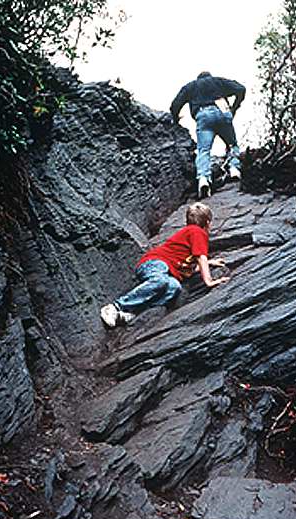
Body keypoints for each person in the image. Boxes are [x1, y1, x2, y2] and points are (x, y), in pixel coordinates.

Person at [100, 202, 229, 328]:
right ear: (207, 222)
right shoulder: (197, 232)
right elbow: (201, 257)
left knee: (174, 287)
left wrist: (209, 263)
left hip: (164, 269)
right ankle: (115, 306)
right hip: (154, 263)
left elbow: (190, 265)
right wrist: (209, 281)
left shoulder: (190, 234)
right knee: (160, 281)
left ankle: (130, 313)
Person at [170, 71, 246, 198]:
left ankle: (203, 179)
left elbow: (175, 105)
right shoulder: (218, 81)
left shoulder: (191, 86)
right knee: (232, 144)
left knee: (204, 150)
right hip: (222, 112)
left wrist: (175, 119)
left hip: (203, 115)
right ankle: (234, 169)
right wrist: (234, 108)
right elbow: (241, 89)